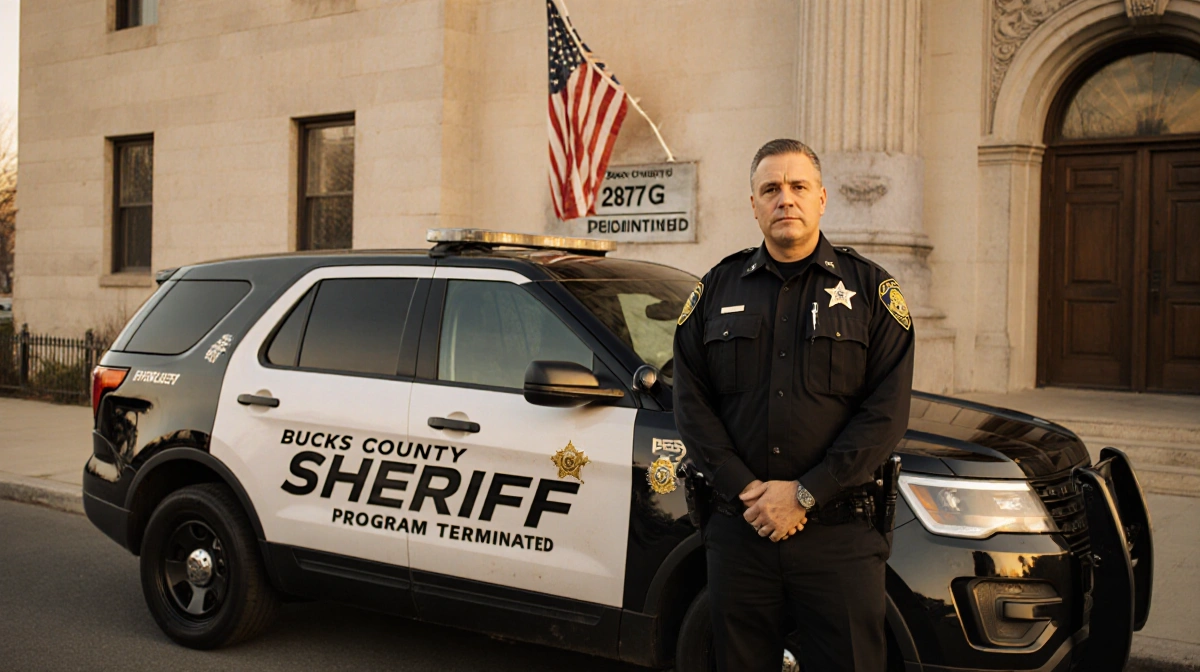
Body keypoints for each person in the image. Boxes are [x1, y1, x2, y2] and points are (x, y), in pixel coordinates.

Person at [672, 139, 915, 671]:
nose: (786, 199)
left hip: (839, 535)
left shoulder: (873, 291)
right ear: (753, 204)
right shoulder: (716, 287)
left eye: (798, 186)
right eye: (771, 189)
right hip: (742, 530)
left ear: (822, 198)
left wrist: (806, 493)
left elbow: (886, 412)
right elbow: (690, 402)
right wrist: (744, 488)